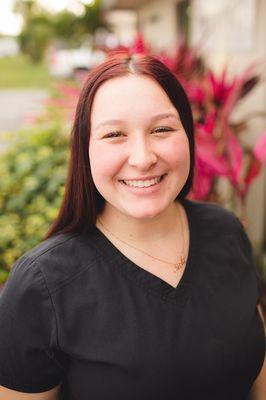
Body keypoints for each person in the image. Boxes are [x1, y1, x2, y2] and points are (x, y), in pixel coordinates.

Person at [0, 53, 265, 400]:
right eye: (114, 134)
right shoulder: (43, 285)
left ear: (187, 135)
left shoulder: (226, 230)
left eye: (162, 129)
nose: (142, 158)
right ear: (85, 150)